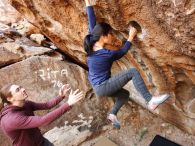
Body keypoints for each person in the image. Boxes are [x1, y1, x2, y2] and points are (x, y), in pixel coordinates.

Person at [84, 0, 170, 129]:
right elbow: (122, 51)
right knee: (132, 72)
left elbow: (92, 22)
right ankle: (150, 100)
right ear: (103, 36)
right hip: (103, 86)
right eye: (110, 34)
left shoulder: (91, 41)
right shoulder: (106, 54)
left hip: (98, 87)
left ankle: (112, 114)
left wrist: (88, 4)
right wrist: (131, 36)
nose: (111, 36)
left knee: (124, 95)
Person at [0, 84, 83, 146]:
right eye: (18, 90)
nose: (23, 89)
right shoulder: (11, 119)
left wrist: (61, 96)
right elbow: (43, 121)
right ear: (9, 98)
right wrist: (68, 104)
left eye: (21, 87)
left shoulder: (25, 104)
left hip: (41, 142)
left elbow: (47, 105)